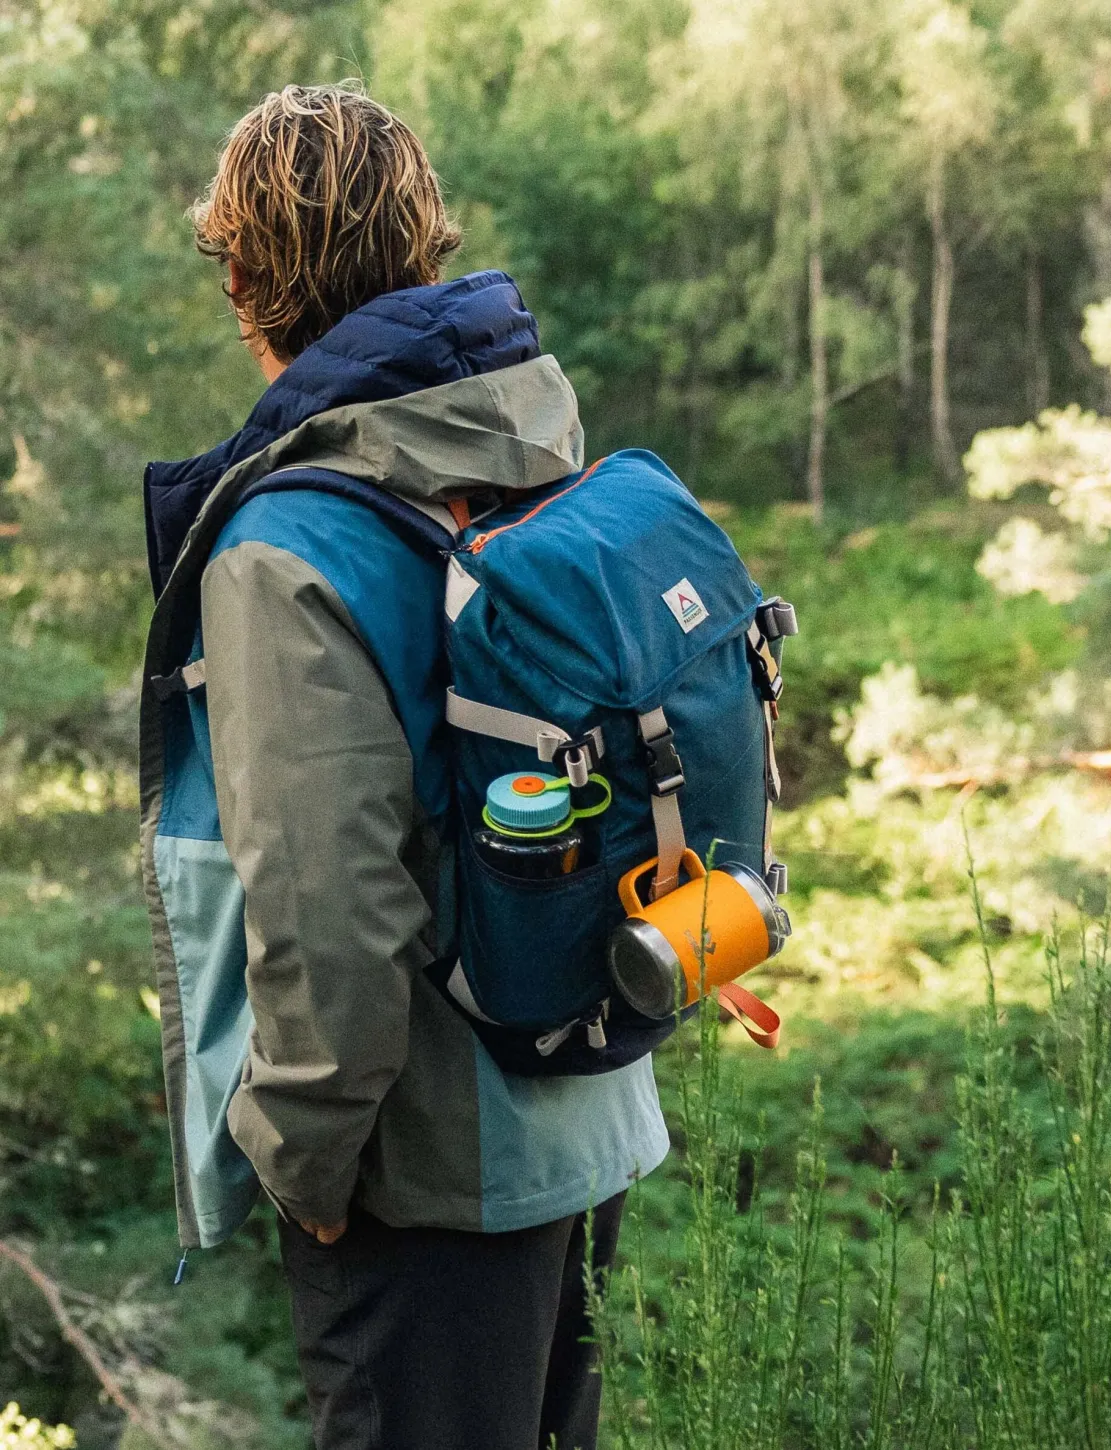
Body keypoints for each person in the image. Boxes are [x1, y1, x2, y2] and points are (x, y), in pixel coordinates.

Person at [138, 82, 669, 1450]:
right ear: (425, 249)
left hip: (424, 1172)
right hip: (584, 1102)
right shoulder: (529, 442)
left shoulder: (285, 546)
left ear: (246, 275)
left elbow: (329, 912)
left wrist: (302, 1155)